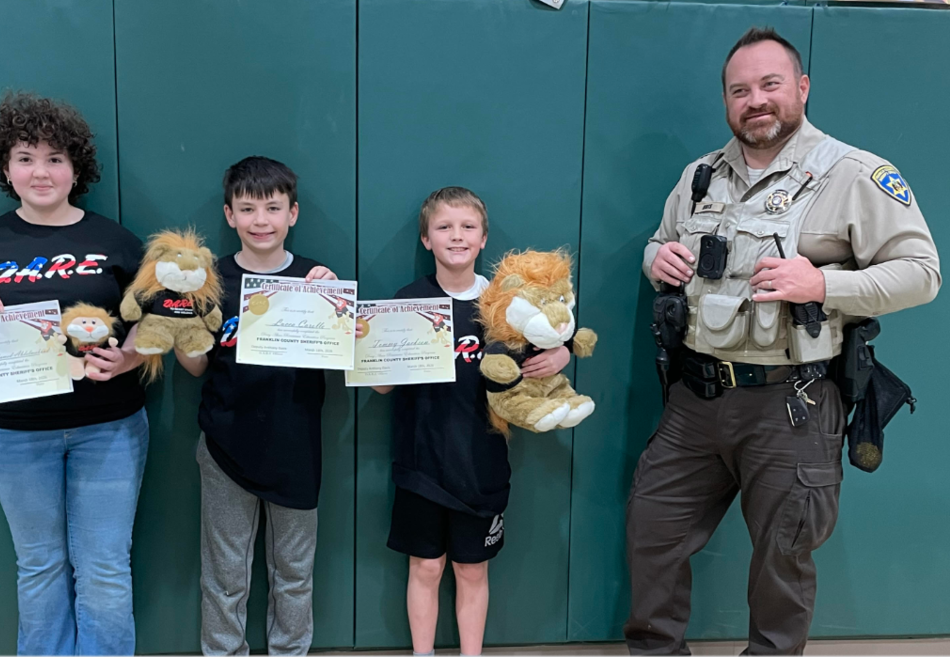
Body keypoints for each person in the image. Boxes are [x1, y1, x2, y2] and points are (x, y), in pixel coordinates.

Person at [626, 27, 941, 655]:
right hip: (696, 399)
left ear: (800, 87)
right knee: (652, 533)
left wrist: (821, 282)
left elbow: (922, 273)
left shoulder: (854, 174)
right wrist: (656, 258)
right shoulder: (699, 177)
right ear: (726, 102)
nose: (755, 100)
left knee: (783, 561)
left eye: (770, 84)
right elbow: (661, 242)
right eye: (740, 90)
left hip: (790, 405)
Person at [0, 92, 149, 655]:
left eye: (55, 158)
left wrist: (128, 357)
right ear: (5, 168)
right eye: (26, 156)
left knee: (103, 569)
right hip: (15, 435)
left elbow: (155, 326)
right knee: (40, 566)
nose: (41, 171)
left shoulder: (114, 241)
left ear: (77, 168)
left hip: (110, 429)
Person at [373, 187, 572, 656]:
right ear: (426, 239)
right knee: (424, 567)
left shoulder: (507, 308)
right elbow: (380, 387)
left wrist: (561, 352)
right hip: (421, 464)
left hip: (481, 464)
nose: (456, 236)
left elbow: (552, 344)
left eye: (467, 227)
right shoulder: (407, 301)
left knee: (472, 569)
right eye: (443, 227)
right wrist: (369, 351)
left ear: (484, 239)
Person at [174, 156, 339, 655]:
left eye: (272, 208)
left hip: (296, 446)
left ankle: (290, 652)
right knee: (224, 576)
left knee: (294, 572)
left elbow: (346, 361)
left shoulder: (319, 279)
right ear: (229, 215)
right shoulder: (207, 280)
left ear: (293, 213)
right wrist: (182, 325)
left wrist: (332, 307)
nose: (260, 220)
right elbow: (197, 367)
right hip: (225, 446)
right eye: (248, 209)